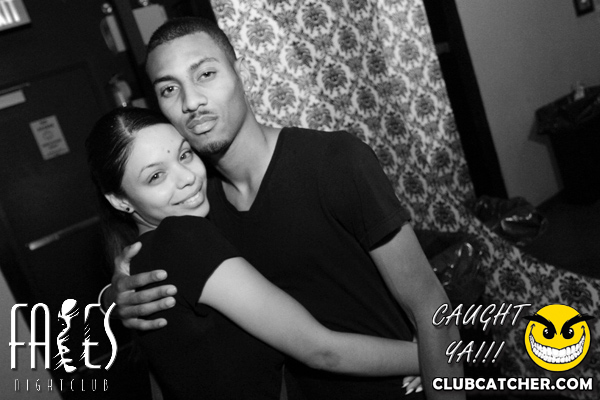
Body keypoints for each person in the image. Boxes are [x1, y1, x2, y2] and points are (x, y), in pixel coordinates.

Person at [102, 17, 464, 400]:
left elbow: (431, 309)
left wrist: (432, 367)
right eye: (169, 89)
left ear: (240, 73)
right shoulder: (193, 202)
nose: (191, 101)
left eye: (206, 73)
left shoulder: (333, 162)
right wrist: (114, 297)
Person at [87, 107, 423, 399]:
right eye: (156, 176)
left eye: (184, 155)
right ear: (119, 199)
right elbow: (322, 351)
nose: (187, 178)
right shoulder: (184, 237)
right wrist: (431, 356)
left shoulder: (141, 259)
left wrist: (108, 299)